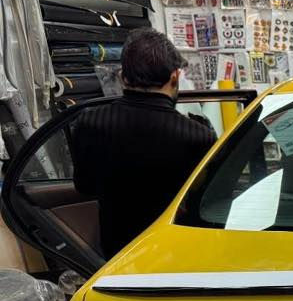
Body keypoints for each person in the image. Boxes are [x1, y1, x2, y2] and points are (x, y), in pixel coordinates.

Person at [72, 28, 217, 257]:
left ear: (123, 77)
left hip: (116, 254)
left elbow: (84, 186)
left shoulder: (90, 122)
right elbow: (208, 204)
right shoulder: (199, 137)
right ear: (174, 77)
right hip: (178, 253)